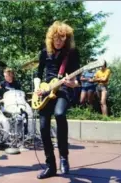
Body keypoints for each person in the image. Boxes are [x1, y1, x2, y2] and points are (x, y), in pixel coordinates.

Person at [34, 21, 81, 179]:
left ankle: (64, 157)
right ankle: (50, 166)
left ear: (66, 38)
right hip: (45, 92)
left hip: (63, 89)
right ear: (51, 38)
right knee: (43, 126)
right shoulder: (44, 52)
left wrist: (72, 83)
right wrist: (37, 88)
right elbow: (38, 73)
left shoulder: (72, 53)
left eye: (62, 38)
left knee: (60, 114)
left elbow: (77, 80)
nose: (59, 41)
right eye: (56, 38)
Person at [0, 68, 33, 134]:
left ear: (11, 75)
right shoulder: (4, 83)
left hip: (16, 104)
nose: (5, 77)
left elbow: (18, 95)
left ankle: (25, 133)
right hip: (7, 104)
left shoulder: (17, 84)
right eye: (5, 76)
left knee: (25, 113)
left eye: (6, 76)